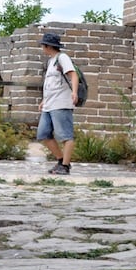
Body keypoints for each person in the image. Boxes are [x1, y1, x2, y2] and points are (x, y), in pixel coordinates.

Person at [37, 32, 79, 175]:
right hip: (50, 103)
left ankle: (65, 166)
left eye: (43, 45)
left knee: (66, 135)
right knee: (43, 133)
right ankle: (61, 161)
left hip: (61, 103)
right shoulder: (51, 61)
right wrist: (44, 100)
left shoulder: (63, 58)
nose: (42, 47)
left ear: (48, 46)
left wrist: (74, 92)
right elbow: (51, 83)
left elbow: (73, 74)